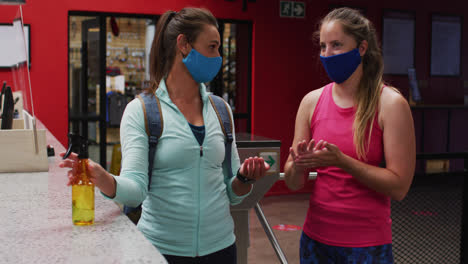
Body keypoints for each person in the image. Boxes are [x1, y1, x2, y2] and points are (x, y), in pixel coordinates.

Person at [60, 7, 270, 264]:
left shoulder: (221, 110)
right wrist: (103, 178)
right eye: (213, 47)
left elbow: (233, 192)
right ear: (183, 44)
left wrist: (245, 178)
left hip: (222, 249)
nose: (219, 58)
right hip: (161, 250)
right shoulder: (142, 112)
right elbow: (135, 191)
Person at [284, 7, 416, 264]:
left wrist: (342, 161)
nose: (327, 54)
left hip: (366, 245)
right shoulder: (311, 102)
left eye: (336, 45)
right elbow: (293, 182)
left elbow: (399, 187)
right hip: (316, 240)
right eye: (323, 46)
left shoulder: (390, 104)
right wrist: (297, 165)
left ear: (362, 48)